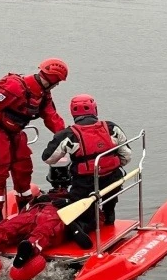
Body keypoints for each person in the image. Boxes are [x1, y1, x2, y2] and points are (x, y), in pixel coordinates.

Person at [0, 58, 68, 227]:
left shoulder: (43, 95)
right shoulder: (13, 87)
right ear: (52, 79)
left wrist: (65, 136)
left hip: (15, 132)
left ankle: (24, 209)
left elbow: (51, 117)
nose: (57, 85)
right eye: (58, 82)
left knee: (23, 168)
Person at [0, 186, 93, 276]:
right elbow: (24, 210)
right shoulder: (42, 198)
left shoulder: (82, 204)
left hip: (56, 216)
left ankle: (29, 250)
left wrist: (71, 217)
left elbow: (86, 240)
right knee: (9, 227)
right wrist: (37, 201)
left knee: (44, 231)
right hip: (33, 213)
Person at [41, 94, 131, 230]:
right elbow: (127, 155)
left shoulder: (68, 134)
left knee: (83, 211)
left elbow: (48, 158)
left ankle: (84, 225)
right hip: (112, 180)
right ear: (95, 109)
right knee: (111, 192)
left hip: (84, 184)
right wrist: (113, 165)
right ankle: (109, 215)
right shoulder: (112, 128)